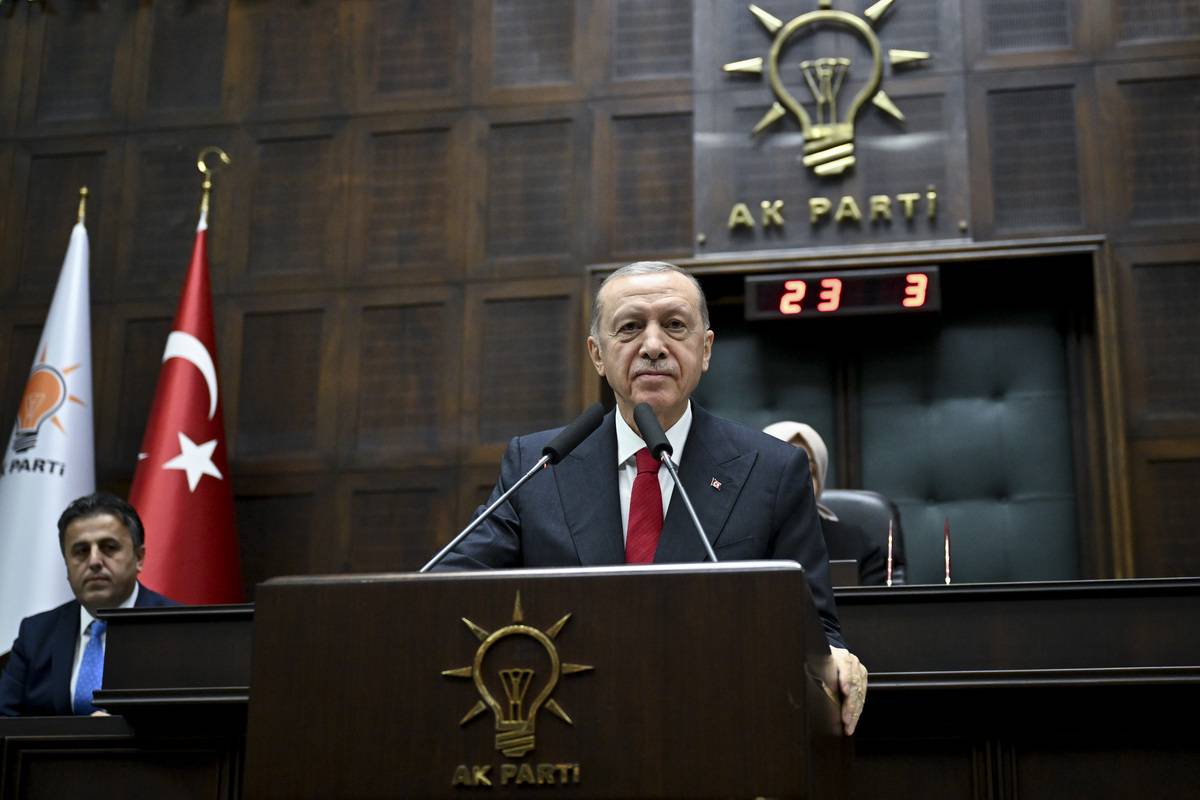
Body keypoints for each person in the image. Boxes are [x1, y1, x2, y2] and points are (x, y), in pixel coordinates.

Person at [438, 261, 868, 735]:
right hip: (567, 733)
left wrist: (837, 659)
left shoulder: (772, 470)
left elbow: (816, 629)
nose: (653, 345)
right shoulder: (538, 465)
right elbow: (445, 589)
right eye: (629, 328)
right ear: (598, 355)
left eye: (675, 325)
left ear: (705, 349)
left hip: (716, 730)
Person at [0, 492, 176, 716]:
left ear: (139, 558)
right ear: (67, 565)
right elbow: (5, 721)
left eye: (109, 547)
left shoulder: (178, 628)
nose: (94, 561)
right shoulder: (36, 635)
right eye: (81, 551)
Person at [763, 421, 890, 586]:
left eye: (809, 470)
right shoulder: (735, 541)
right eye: (784, 470)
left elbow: (876, 610)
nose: (798, 481)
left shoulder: (857, 546)